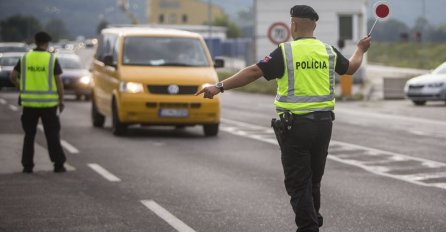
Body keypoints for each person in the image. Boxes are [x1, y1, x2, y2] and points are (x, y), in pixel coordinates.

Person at [195, 5, 371, 232]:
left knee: (298, 183)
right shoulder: (327, 51)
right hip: (324, 126)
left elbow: (254, 72)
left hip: (296, 126)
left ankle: (308, 227)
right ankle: (313, 223)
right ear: (314, 25)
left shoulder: (286, 51)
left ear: (294, 25)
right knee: (313, 181)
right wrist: (360, 49)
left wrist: (219, 86)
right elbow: (351, 68)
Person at [10, 31, 67, 173]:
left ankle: (27, 166)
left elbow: (13, 76)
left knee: (29, 136)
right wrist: (61, 100)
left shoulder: (25, 58)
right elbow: (58, 82)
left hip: (29, 105)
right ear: (47, 43)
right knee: (52, 135)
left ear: (35, 42)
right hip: (49, 105)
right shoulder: (51, 59)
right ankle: (58, 165)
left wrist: (21, 87)